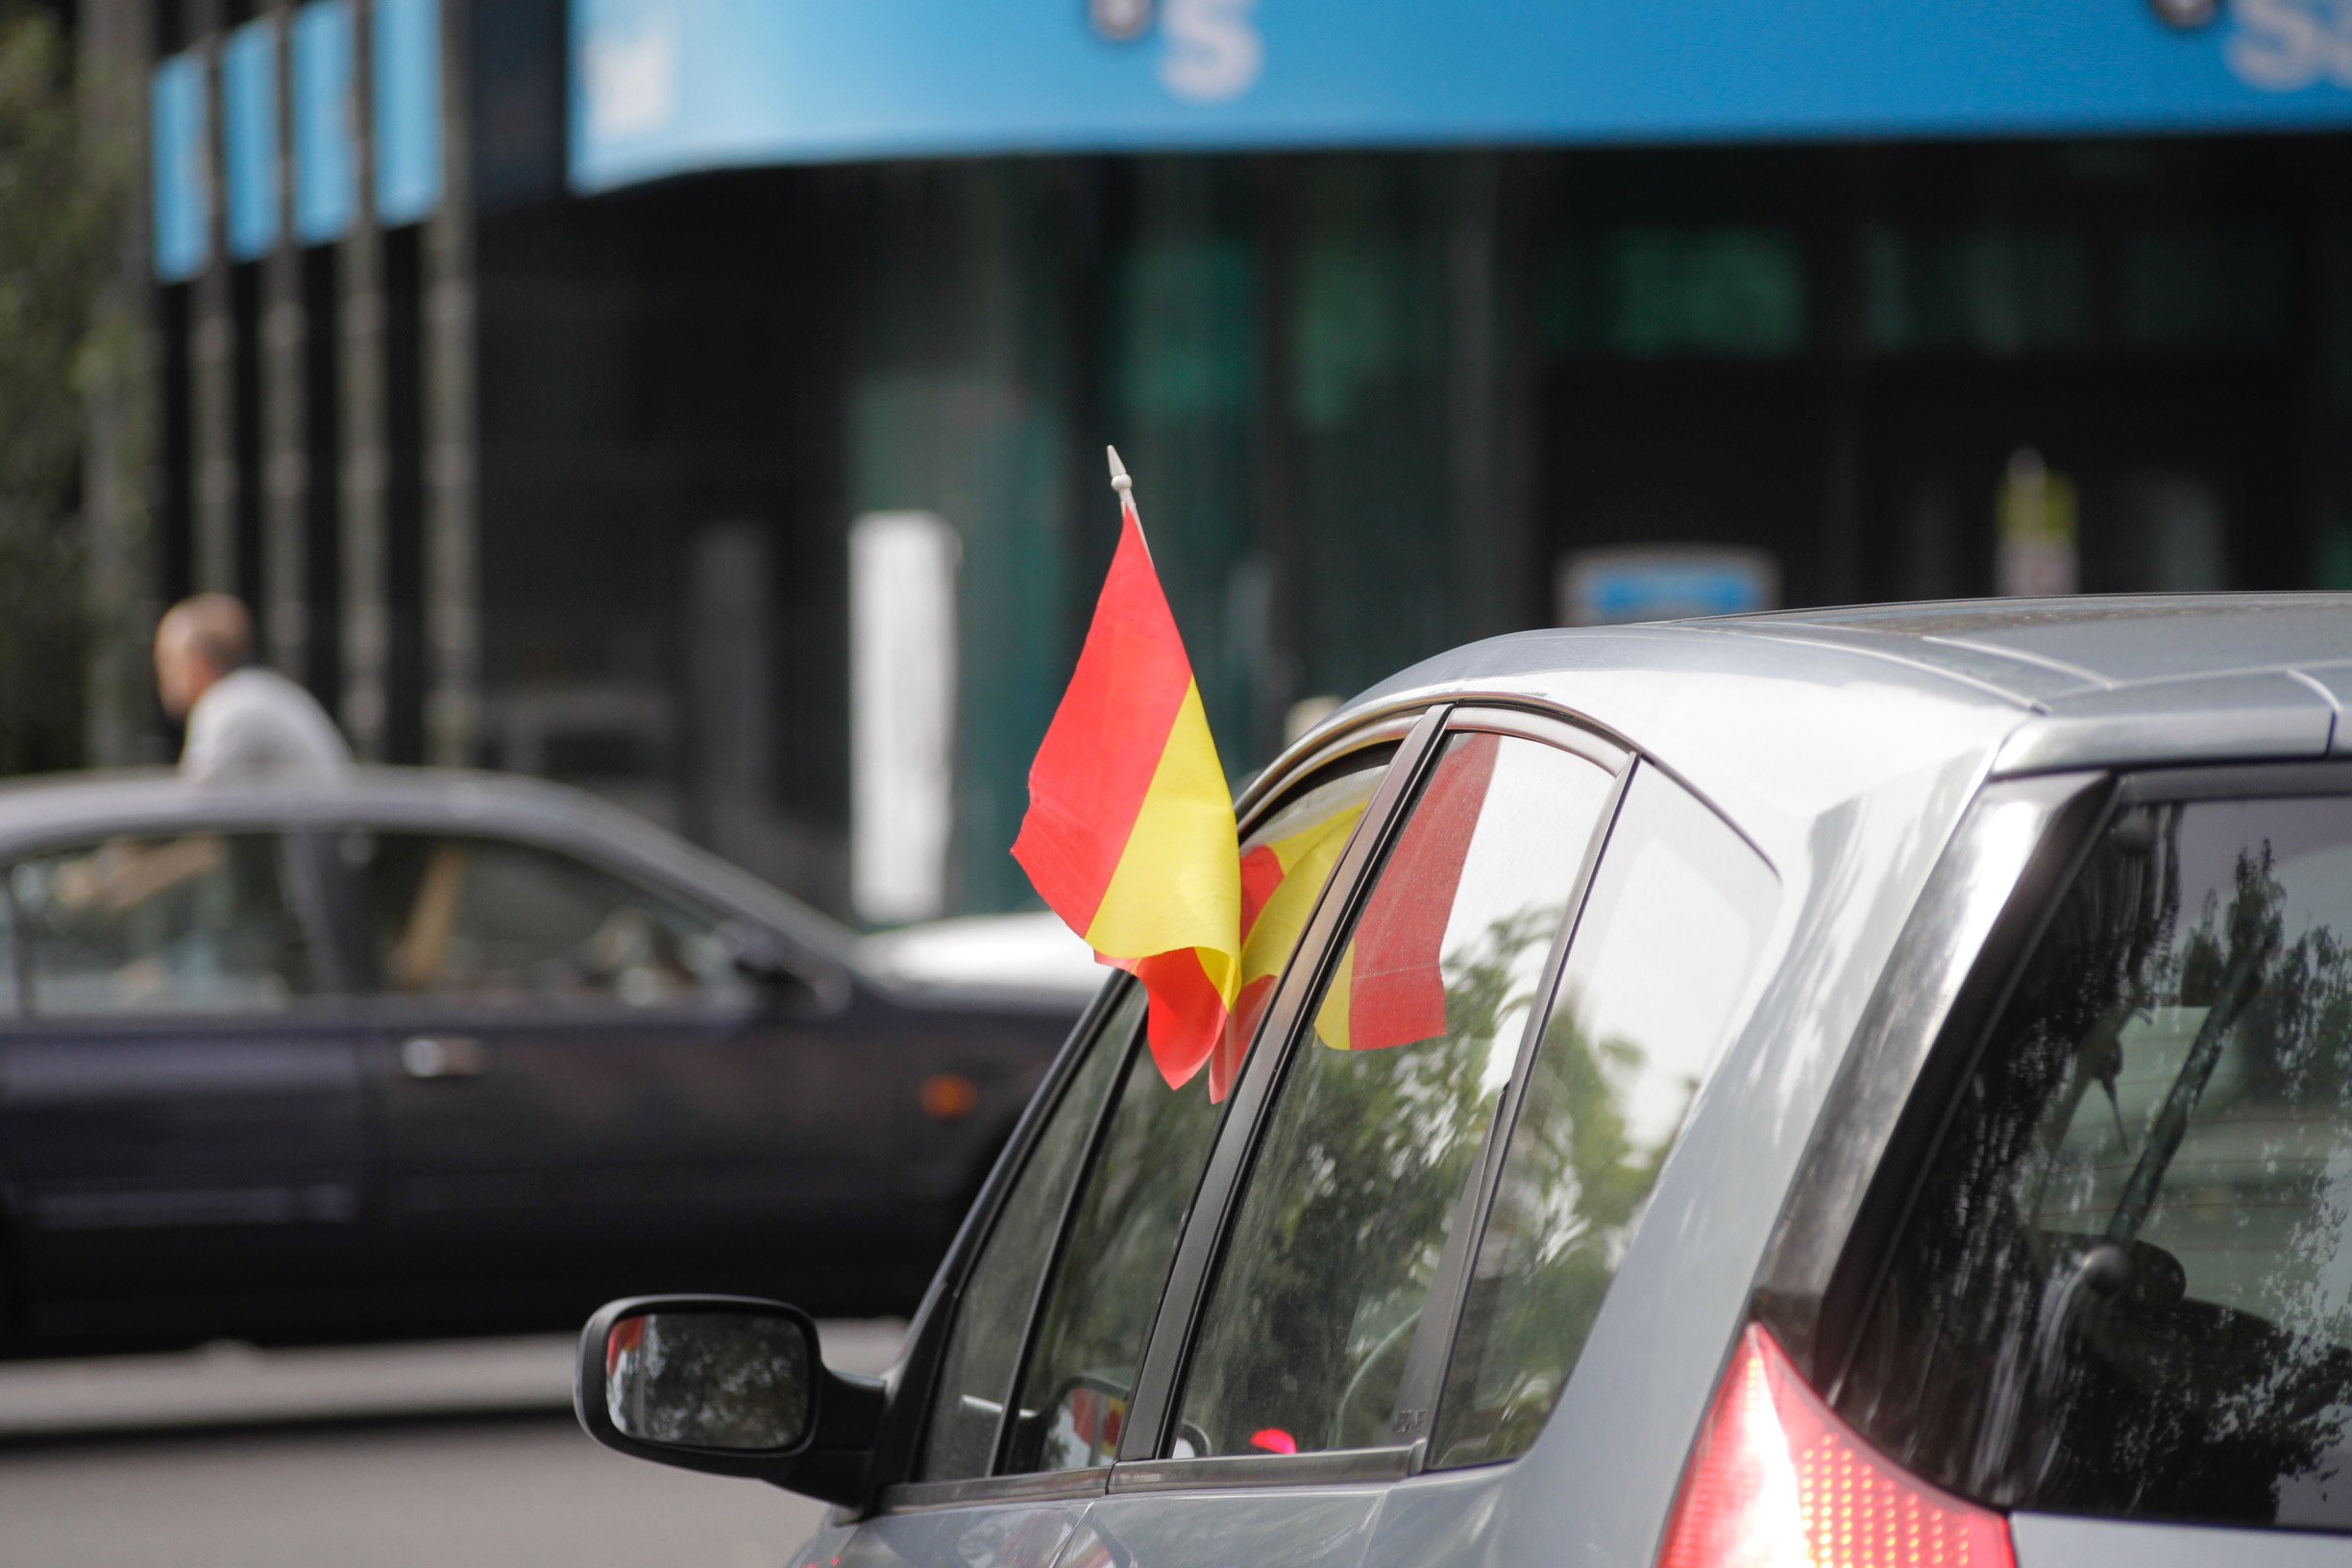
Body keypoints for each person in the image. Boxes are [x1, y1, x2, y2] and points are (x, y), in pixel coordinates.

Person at [154, 594, 351, 783]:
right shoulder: (257, 693)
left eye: (170, 661)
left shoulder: (228, 709)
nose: (163, 676)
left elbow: (196, 805)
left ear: (198, 662)